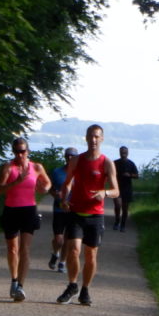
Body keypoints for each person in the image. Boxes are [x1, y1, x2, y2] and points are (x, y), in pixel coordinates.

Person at [56, 124, 119, 306]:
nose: (93, 140)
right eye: (90, 136)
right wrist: (64, 198)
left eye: (97, 137)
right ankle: (72, 285)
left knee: (90, 255)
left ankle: (85, 290)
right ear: (86, 138)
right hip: (76, 212)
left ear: (102, 139)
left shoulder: (107, 163)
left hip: (95, 216)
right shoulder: (77, 160)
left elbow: (116, 191)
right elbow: (67, 183)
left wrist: (104, 193)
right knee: (73, 250)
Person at [0, 137, 51, 302]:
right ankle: (13, 280)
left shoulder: (36, 167)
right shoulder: (8, 167)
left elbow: (47, 184)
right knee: (13, 248)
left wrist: (43, 188)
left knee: (25, 249)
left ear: (28, 151)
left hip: (28, 210)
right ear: (13, 152)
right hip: (11, 210)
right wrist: (16, 182)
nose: (20, 155)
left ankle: (20, 285)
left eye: (23, 151)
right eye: (17, 152)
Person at [48, 147, 79, 273]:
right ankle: (55, 253)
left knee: (68, 239)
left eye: (72, 156)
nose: (69, 158)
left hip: (73, 210)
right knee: (58, 239)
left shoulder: (80, 173)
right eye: (68, 155)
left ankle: (62, 262)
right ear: (65, 156)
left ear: (76, 157)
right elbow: (49, 187)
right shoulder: (57, 172)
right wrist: (54, 194)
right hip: (59, 209)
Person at [113, 145, 139, 231]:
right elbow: (109, 173)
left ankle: (123, 225)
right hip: (117, 187)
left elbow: (137, 175)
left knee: (125, 208)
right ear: (119, 153)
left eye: (125, 152)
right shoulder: (115, 163)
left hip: (127, 188)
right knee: (117, 205)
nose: (123, 153)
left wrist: (130, 175)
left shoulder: (131, 164)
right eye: (122, 152)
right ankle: (117, 221)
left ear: (127, 153)